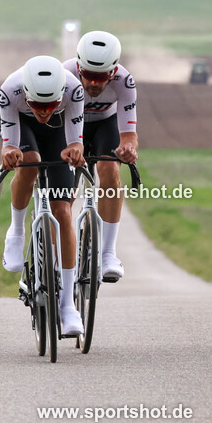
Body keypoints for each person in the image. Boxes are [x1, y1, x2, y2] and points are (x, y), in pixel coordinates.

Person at [0, 55, 86, 336]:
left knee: (63, 212)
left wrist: (75, 150)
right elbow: (8, 143)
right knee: (28, 161)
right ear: (26, 93)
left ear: (61, 94)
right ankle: (16, 231)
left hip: (59, 132)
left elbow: (75, 140)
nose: (44, 111)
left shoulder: (74, 89)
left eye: (51, 105)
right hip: (22, 128)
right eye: (37, 104)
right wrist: (9, 152)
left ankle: (67, 305)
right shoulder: (9, 90)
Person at [62, 31, 138, 282]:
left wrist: (128, 149)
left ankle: (107, 254)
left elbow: (129, 134)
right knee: (65, 189)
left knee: (110, 171)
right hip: (72, 127)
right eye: (89, 76)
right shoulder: (64, 75)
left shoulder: (125, 81)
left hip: (106, 125)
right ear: (79, 67)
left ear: (114, 71)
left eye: (102, 77)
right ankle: (59, 254)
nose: (94, 84)